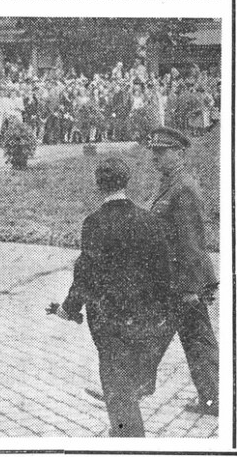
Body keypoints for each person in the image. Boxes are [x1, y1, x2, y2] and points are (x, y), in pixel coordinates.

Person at [53, 157, 171, 438]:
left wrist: (69, 308)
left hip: (108, 320)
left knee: (117, 385)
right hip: (144, 317)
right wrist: (160, 312)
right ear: (126, 182)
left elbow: (84, 273)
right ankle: (124, 431)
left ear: (98, 186)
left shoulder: (94, 223)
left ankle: (128, 440)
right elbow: (164, 271)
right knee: (127, 381)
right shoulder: (149, 220)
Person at [144, 127, 218, 415]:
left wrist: (190, 289)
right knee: (196, 339)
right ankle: (214, 398)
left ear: (179, 153)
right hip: (175, 279)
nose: (155, 157)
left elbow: (191, 242)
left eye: (161, 152)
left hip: (183, 282)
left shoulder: (183, 187)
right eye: (154, 152)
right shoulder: (169, 183)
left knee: (170, 335)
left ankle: (128, 387)